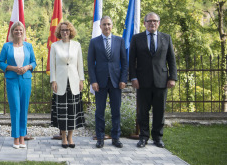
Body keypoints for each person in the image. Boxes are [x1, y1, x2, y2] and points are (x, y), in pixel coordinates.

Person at [129, 12, 177, 148]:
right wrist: (133, 77)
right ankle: (143, 137)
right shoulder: (137, 38)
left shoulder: (166, 38)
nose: (152, 23)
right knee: (143, 111)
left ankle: (157, 137)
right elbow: (131, 60)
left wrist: (172, 77)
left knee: (159, 111)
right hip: (142, 81)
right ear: (144, 23)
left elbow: (171, 59)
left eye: (155, 21)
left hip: (161, 81)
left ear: (158, 23)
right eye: (149, 21)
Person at [88, 16, 127, 148]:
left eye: (109, 24)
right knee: (100, 111)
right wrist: (93, 81)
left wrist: (123, 79)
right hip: (100, 82)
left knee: (116, 111)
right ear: (100, 27)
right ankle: (100, 138)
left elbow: (124, 62)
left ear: (112, 25)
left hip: (116, 82)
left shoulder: (120, 41)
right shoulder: (94, 42)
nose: (107, 27)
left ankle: (116, 138)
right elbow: (90, 63)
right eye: (104, 24)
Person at [0, 21, 36, 149]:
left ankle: (22, 137)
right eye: (16, 30)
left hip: (26, 79)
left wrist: (28, 67)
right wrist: (12, 68)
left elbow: (34, 62)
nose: (18, 32)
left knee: (24, 108)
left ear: (23, 32)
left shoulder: (28, 46)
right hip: (12, 79)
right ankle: (15, 138)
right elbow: (0, 62)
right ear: (12, 32)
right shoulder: (6, 46)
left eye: (20, 30)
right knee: (15, 108)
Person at [50, 21, 85, 148]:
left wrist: (81, 79)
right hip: (60, 82)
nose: (65, 32)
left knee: (72, 111)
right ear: (60, 32)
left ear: (71, 32)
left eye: (67, 30)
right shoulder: (55, 46)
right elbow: (52, 65)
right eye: (63, 30)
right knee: (62, 111)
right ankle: (63, 137)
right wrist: (53, 80)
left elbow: (79, 64)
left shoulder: (77, 45)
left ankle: (71, 137)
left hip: (74, 81)